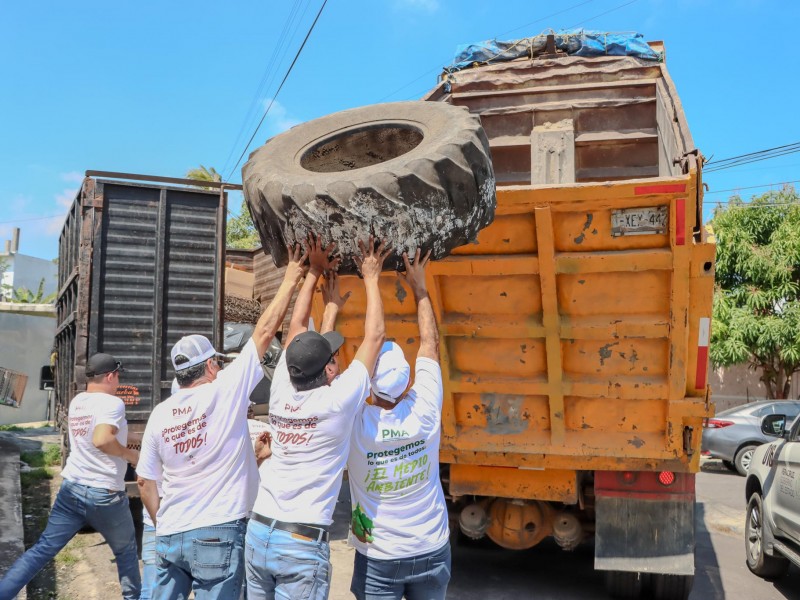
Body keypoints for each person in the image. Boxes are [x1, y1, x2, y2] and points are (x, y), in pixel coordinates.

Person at [136, 243, 307, 600]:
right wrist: (291, 276)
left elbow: (144, 480)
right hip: (217, 532)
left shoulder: (160, 414)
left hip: (169, 534)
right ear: (211, 365)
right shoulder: (224, 391)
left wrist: (162, 523)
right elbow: (263, 333)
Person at [245, 234, 390, 600]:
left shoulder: (282, 387)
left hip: (259, 533)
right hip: (299, 542)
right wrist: (371, 275)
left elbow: (295, 333)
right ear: (329, 370)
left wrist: (313, 273)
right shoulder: (336, 402)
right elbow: (375, 336)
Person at [347, 248, 451, 600]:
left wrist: (368, 279)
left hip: (379, 557)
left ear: (368, 385)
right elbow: (430, 345)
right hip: (431, 549)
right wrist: (419, 288)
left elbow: (369, 342)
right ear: (408, 379)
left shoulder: (355, 422)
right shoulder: (424, 409)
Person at [0, 353, 141, 600]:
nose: (118, 381)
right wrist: (132, 457)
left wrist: (141, 443)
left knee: (42, 550)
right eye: (117, 375)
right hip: (104, 493)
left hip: (72, 489)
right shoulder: (112, 403)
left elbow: (106, 434)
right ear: (110, 376)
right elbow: (102, 439)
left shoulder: (79, 401)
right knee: (126, 552)